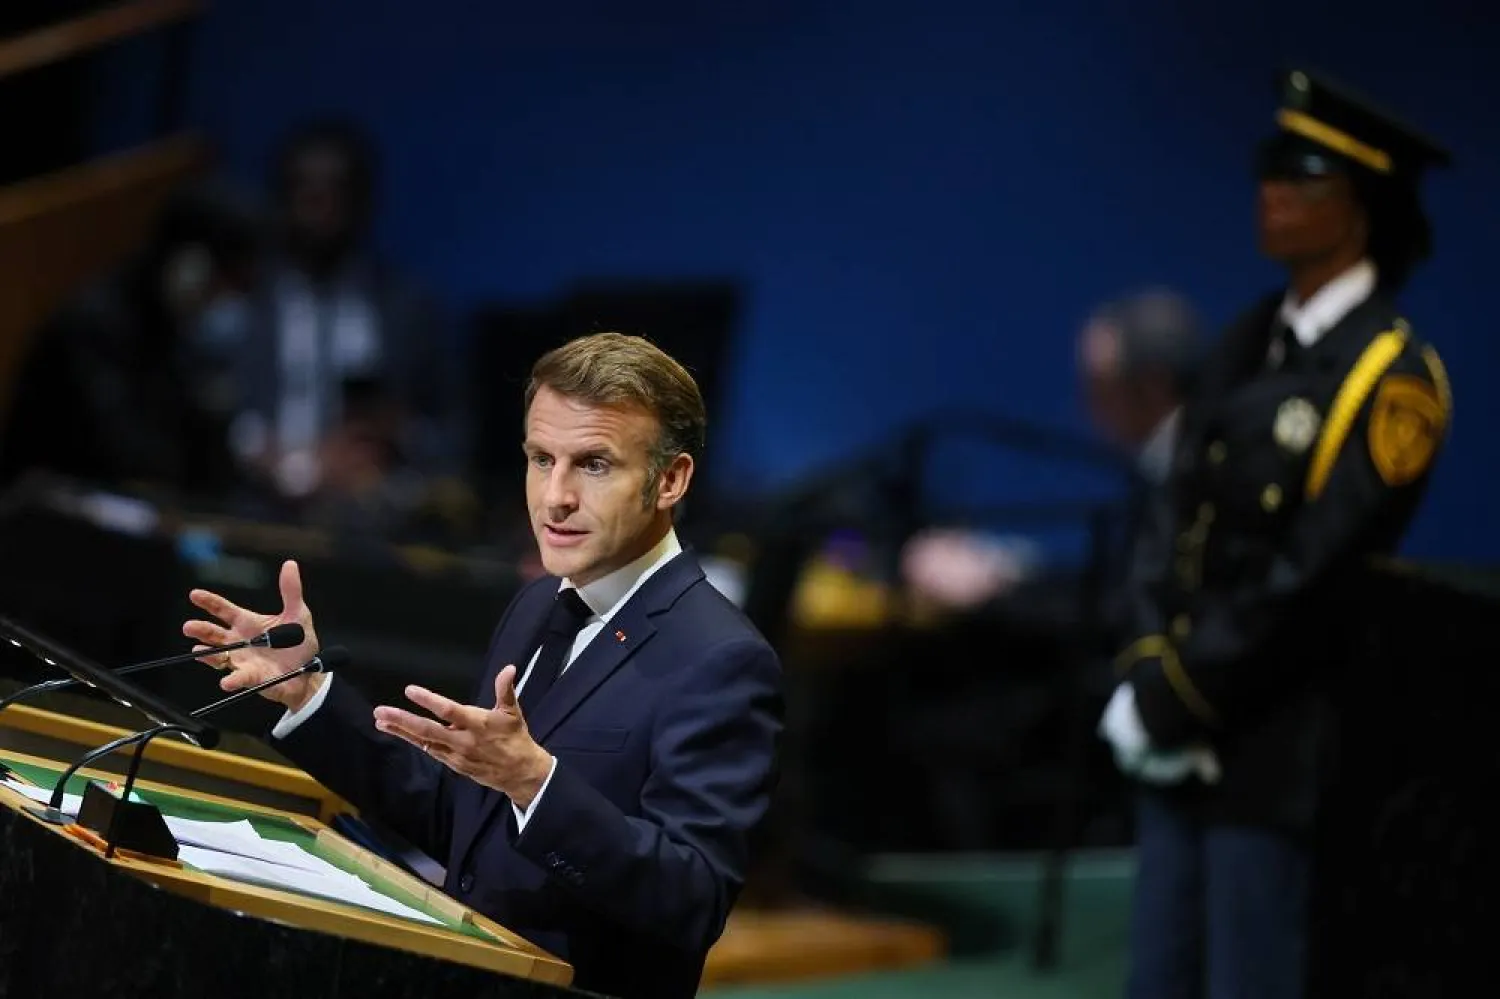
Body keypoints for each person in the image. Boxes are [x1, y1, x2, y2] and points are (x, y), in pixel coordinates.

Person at [183, 332, 784, 999]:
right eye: (541, 459)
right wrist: (308, 695)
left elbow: (692, 897)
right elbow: (465, 825)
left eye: (593, 464)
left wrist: (537, 784)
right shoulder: (537, 604)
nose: (555, 497)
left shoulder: (721, 658)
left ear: (670, 479)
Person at [1099, 69, 1454, 999]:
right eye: (1269, 166)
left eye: (1303, 175)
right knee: (1157, 976)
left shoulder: (1392, 378)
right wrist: (1147, 656)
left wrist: (1180, 691)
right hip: (1180, 726)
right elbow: (1171, 504)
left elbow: (1312, 573)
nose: (1272, 191)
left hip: (1276, 743)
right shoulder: (1248, 336)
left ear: (1363, 206)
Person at [228, 118, 464, 530]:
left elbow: (453, 432)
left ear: (363, 201)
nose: (319, 208)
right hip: (254, 507)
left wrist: (400, 431)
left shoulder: (405, 306)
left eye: (334, 191)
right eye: (305, 190)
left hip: (374, 514)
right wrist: (297, 467)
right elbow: (212, 415)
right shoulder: (245, 298)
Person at [0, 178, 264, 502]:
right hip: (45, 512)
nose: (226, 300)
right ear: (189, 267)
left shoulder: (175, 327)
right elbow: (127, 455)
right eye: (225, 281)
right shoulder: (93, 324)